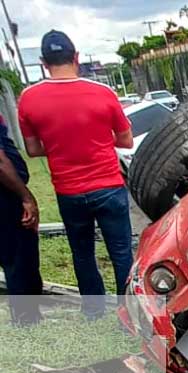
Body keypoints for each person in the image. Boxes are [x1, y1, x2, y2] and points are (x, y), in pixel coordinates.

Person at [18, 30, 135, 319]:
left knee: (82, 254)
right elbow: (126, 140)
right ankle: (129, 315)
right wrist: (94, 139)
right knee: (121, 253)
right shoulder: (103, 93)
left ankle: (94, 312)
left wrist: (61, 143)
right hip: (109, 187)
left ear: (44, 63)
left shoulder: (29, 98)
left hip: (69, 192)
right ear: (77, 57)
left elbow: (32, 150)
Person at [0, 114, 43, 325]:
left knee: (17, 256)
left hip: (8, 195)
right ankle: (26, 318)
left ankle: (28, 314)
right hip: (6, 198)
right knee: (19, 258)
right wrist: (25, 196)